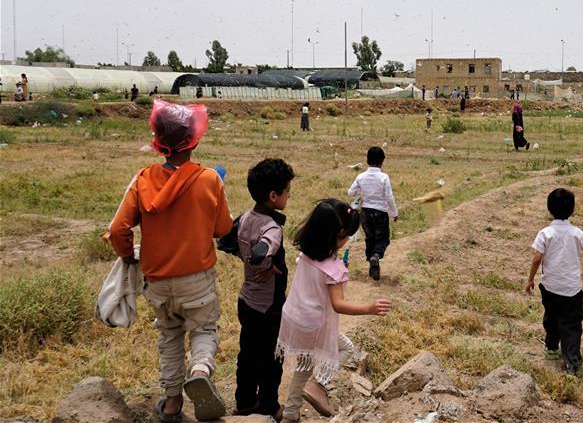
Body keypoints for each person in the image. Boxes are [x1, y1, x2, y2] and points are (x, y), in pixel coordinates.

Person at [107, 100, 232, 422]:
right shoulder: (209, 180)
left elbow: (118, 229)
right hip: (197, 278)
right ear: (195, 139)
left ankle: (173, 403)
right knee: (203, 328)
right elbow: (222, 229)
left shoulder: (143, 180)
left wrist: (127, 257)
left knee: (170, 335)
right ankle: (201, 368)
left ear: (158, 141)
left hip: (157, 280)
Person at [277, 200, 392, 421]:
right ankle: (318, 384)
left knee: (303, 366)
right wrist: (369, 308)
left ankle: (291, 413)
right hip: (314, 324)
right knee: (346, 349)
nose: (348, 239)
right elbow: (338, 305)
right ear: (338, 235)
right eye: (348, 235)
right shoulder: (334, 269)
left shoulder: (305, 255)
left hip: (294, 317)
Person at [227, 158, 295, 420]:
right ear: (273, 195)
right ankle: (268, 405)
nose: (289, 195)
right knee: (271, 357)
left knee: (247, 352)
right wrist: (265, 264)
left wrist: (245, 258)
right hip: (269, 305)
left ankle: (243, 401)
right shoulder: (272, 228)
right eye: (287, 191)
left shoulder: (245, 218)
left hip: (246, 300)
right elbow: (261, 250)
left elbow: (226, 239)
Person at [524, 188, 583, 377]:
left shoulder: (545, 233)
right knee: (572, 325)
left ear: (549, 209)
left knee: (552, 317)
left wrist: (531, 279)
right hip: (572, 289)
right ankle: (572, 363)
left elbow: (536, 259)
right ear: (572, 210)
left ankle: (551, 348)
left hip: (549, 287)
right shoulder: (577, 233)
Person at [347, 147, 398, 280]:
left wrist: (360, 191)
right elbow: (389, 197)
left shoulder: (361, 176)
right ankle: (376, 256)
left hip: (365, 212)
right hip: (380, 212)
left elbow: (350, 192)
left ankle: (372, 264)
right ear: (382, 161)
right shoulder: (384, 177)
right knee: (382, 239)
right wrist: (394, 213)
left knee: (370, 238)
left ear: (367, 160)